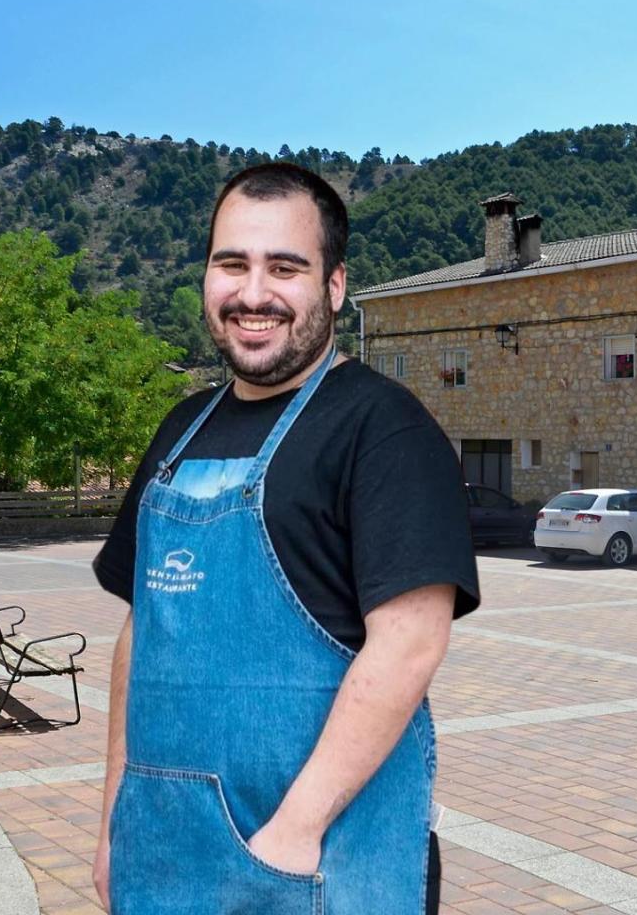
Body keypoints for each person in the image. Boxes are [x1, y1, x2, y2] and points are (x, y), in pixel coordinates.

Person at [91, 163, 480, 914]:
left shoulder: (384, 429)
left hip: (313, 867)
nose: (253, 293)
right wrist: (116, 820)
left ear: (334, 286)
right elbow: (142, 636)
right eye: (231, 263)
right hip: (164, 856)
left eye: (285, 267)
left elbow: (410, 642)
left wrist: (291, 838)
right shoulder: (182, 429)